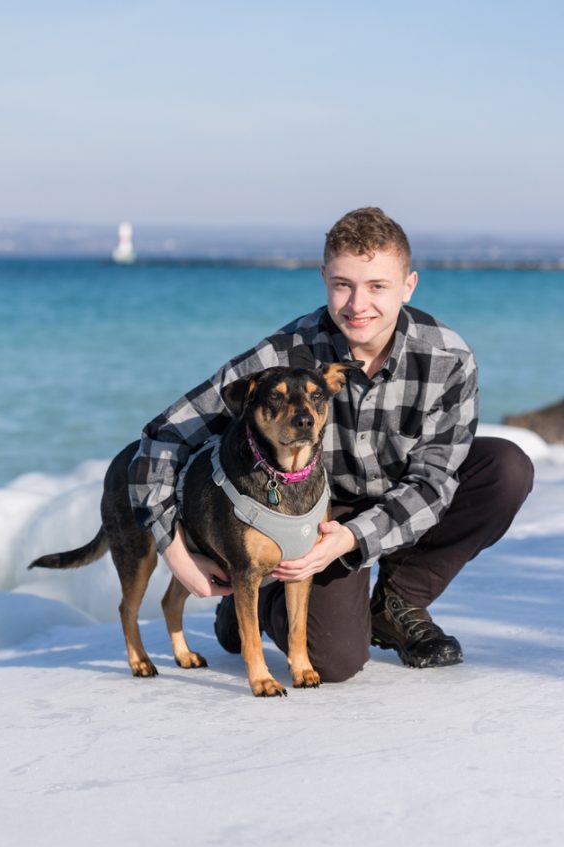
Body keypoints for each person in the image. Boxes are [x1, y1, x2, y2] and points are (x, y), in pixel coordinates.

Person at [128, 207, 534, 681]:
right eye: (343, 284)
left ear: (408, 285)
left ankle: (399, 600)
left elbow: (435, 483)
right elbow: (163, 437)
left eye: (377, 286)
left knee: (505, 468)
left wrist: (354, 538)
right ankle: (255, 594)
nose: (358, 304)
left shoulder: (449, 357)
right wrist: (176, 553)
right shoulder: (282, 353)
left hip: (389, 501)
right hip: (311, 511)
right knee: (334, 661)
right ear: (323, 278)